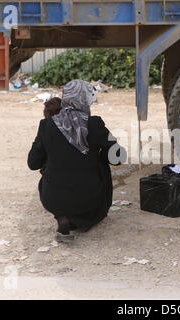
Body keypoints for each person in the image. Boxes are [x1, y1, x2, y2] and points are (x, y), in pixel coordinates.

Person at [27, 80, 126, 242]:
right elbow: (118, 157)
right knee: (100, 164)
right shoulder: (94, 124)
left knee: (52, 166)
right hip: (89, 199)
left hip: (53, 199)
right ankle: (83, 219)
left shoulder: (47, 125)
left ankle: (63, 217)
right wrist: (99, 156)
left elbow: (33, 163)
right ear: (85, 100)